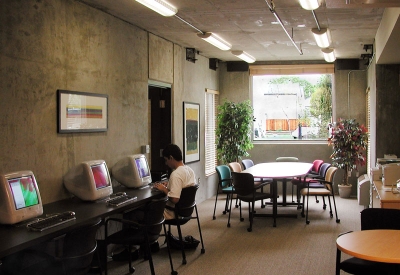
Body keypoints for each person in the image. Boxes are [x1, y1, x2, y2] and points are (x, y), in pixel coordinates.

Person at [153, 143, 196, 220]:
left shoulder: (176, 174)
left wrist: (163, 189)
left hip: (173, 212)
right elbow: (183, 187)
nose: (166, 163)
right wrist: (170, 184)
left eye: (166, 160)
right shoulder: (190, 170)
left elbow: (174, 199)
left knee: (149, 209)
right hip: (186, 210)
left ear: (171, 158)